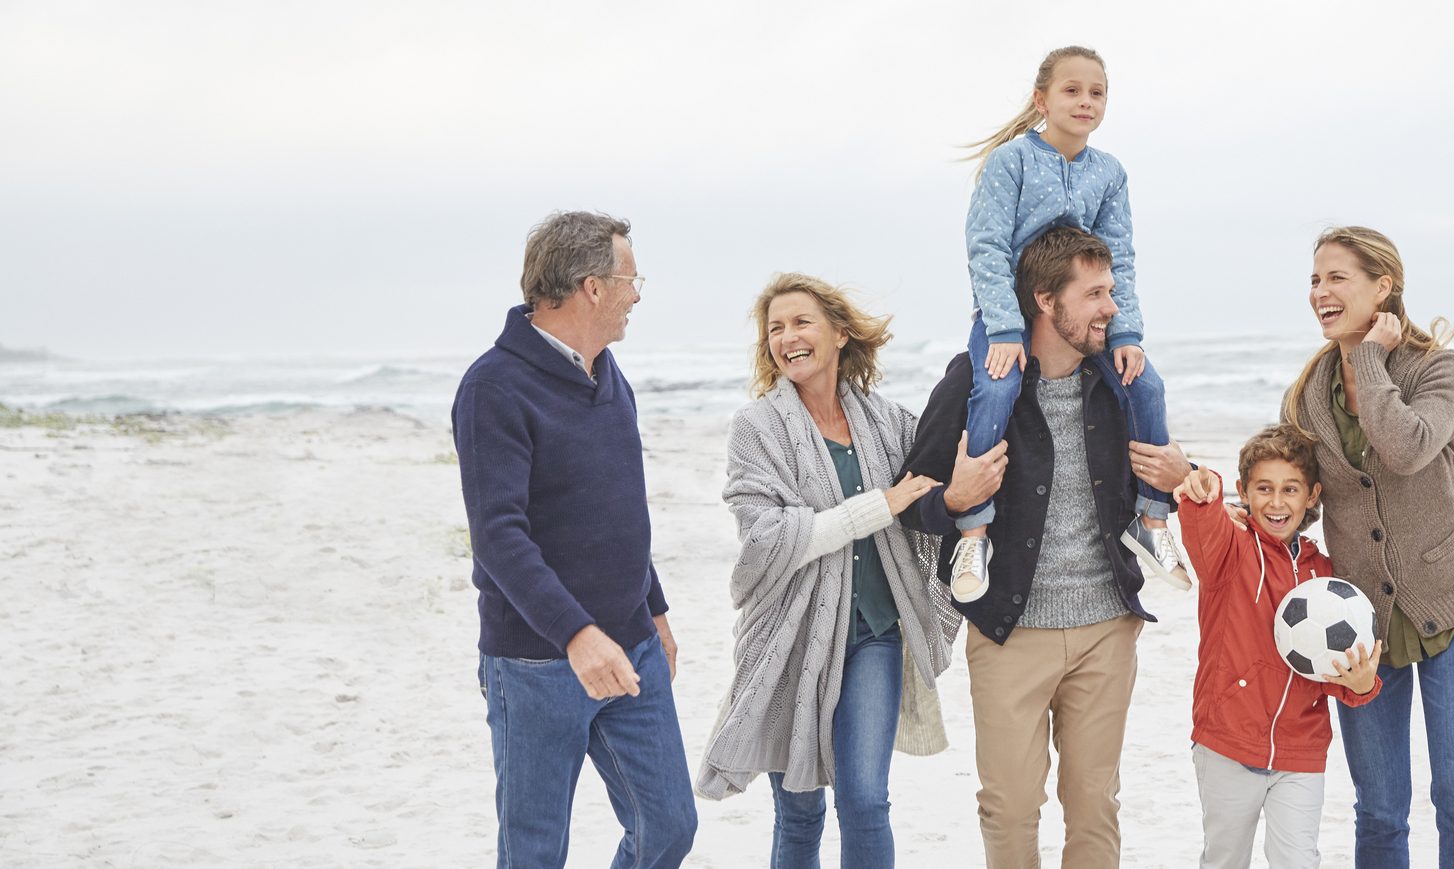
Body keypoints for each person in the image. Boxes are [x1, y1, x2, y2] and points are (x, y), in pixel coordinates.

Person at [899, 224, 1191, 868]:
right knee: (1008, 806)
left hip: (1107, 630)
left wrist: (1184, 475)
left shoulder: (1119, 381)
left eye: (1110, 292)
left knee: (1094, 803)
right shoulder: (975, 382)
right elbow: (910, 500)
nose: (1111, 308)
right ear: (1044, 300)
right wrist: (953, 499)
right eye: (1094, 295)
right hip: (1010, 630)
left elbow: (1167, 467)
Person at [452, 210, 696, 868]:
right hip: (535, 661)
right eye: (630, 277)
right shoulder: (492, 386)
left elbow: (618, 505)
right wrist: (576, 634)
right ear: (592, 286)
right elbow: (498, 537)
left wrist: (653, 603)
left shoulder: (605, 371)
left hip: (631, 646)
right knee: (534, 851)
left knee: (668, 824)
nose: (637, 293)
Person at [695, 274, 964, 869]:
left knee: (865, 801)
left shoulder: (891, 422)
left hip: (875, 635)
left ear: (840, 334)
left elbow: (932, 493)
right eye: (775, 329)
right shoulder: (757, 429)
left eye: (800, 322)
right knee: (799, 812)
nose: (787, 337)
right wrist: (879, 505)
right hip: (789, 639)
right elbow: (767, 539)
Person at [1283, 227, 1454, 868]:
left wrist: (1371, 360)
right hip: (1360, 632)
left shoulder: (1439, 370)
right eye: (1314, 280)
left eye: (1336, 278)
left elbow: (1405, 448)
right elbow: (1298, 502)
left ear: (1384, 287)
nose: (1320, 292)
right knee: (1379, 809)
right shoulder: (1305, 397)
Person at [952, 44, 1187, 602]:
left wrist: (1126, 332)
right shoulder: (1011, 161)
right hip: (1011, 313)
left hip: (1082, 314)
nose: (1086, 101)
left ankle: (1152, 522)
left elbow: (1118, 258)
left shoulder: (1109, 172)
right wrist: (1006, 328)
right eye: (1072, 90)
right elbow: (984, 246)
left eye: (1097, 92)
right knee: (995, 388)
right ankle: (974, 533)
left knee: (1146, 383)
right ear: (1043, 99)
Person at [1172, 423, 1382, 869]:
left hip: (1300, 750)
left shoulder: (1325, 578)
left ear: (1312, 496)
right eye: (1263, 488)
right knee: (1225, 859)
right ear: (1243, 492)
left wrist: (1360, 686)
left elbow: (1332, 670)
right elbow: (1201, 524)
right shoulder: (1230, 552)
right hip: (1227, 744)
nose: (1276, 501)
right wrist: (1201, 490)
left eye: (1290, 489)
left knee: (1298, 860)